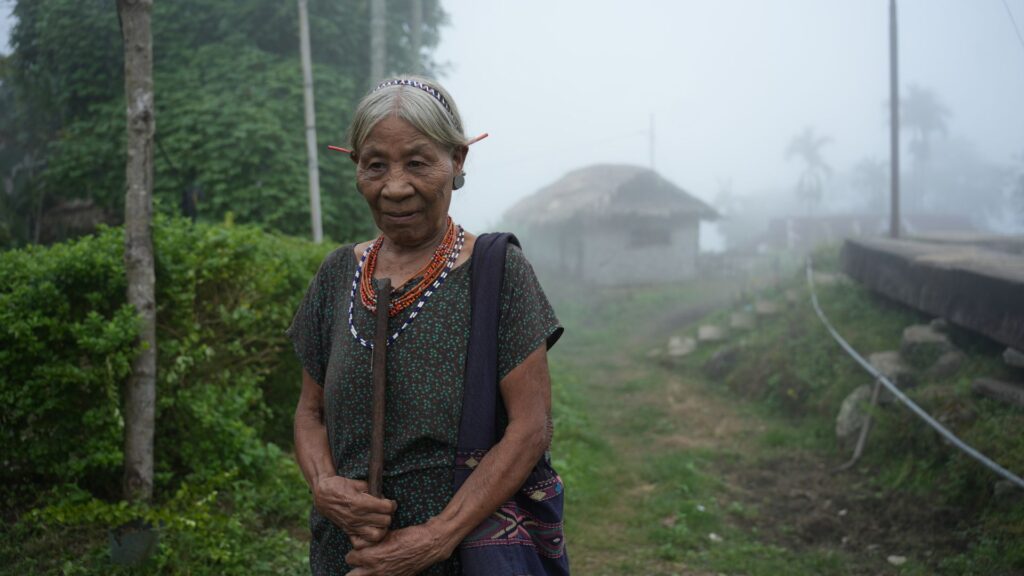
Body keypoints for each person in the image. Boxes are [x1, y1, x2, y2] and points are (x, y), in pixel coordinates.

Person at [288, 76, 564, 575]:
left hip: (459, 555)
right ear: (356, 166)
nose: (395, 187)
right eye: (376, 165)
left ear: (457, 161)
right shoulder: (336, 275)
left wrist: (435, 539)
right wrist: (326, 486)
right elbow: (310, 415)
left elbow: (530, 427)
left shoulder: (498, 273)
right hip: (347, 554)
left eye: (418, 162)